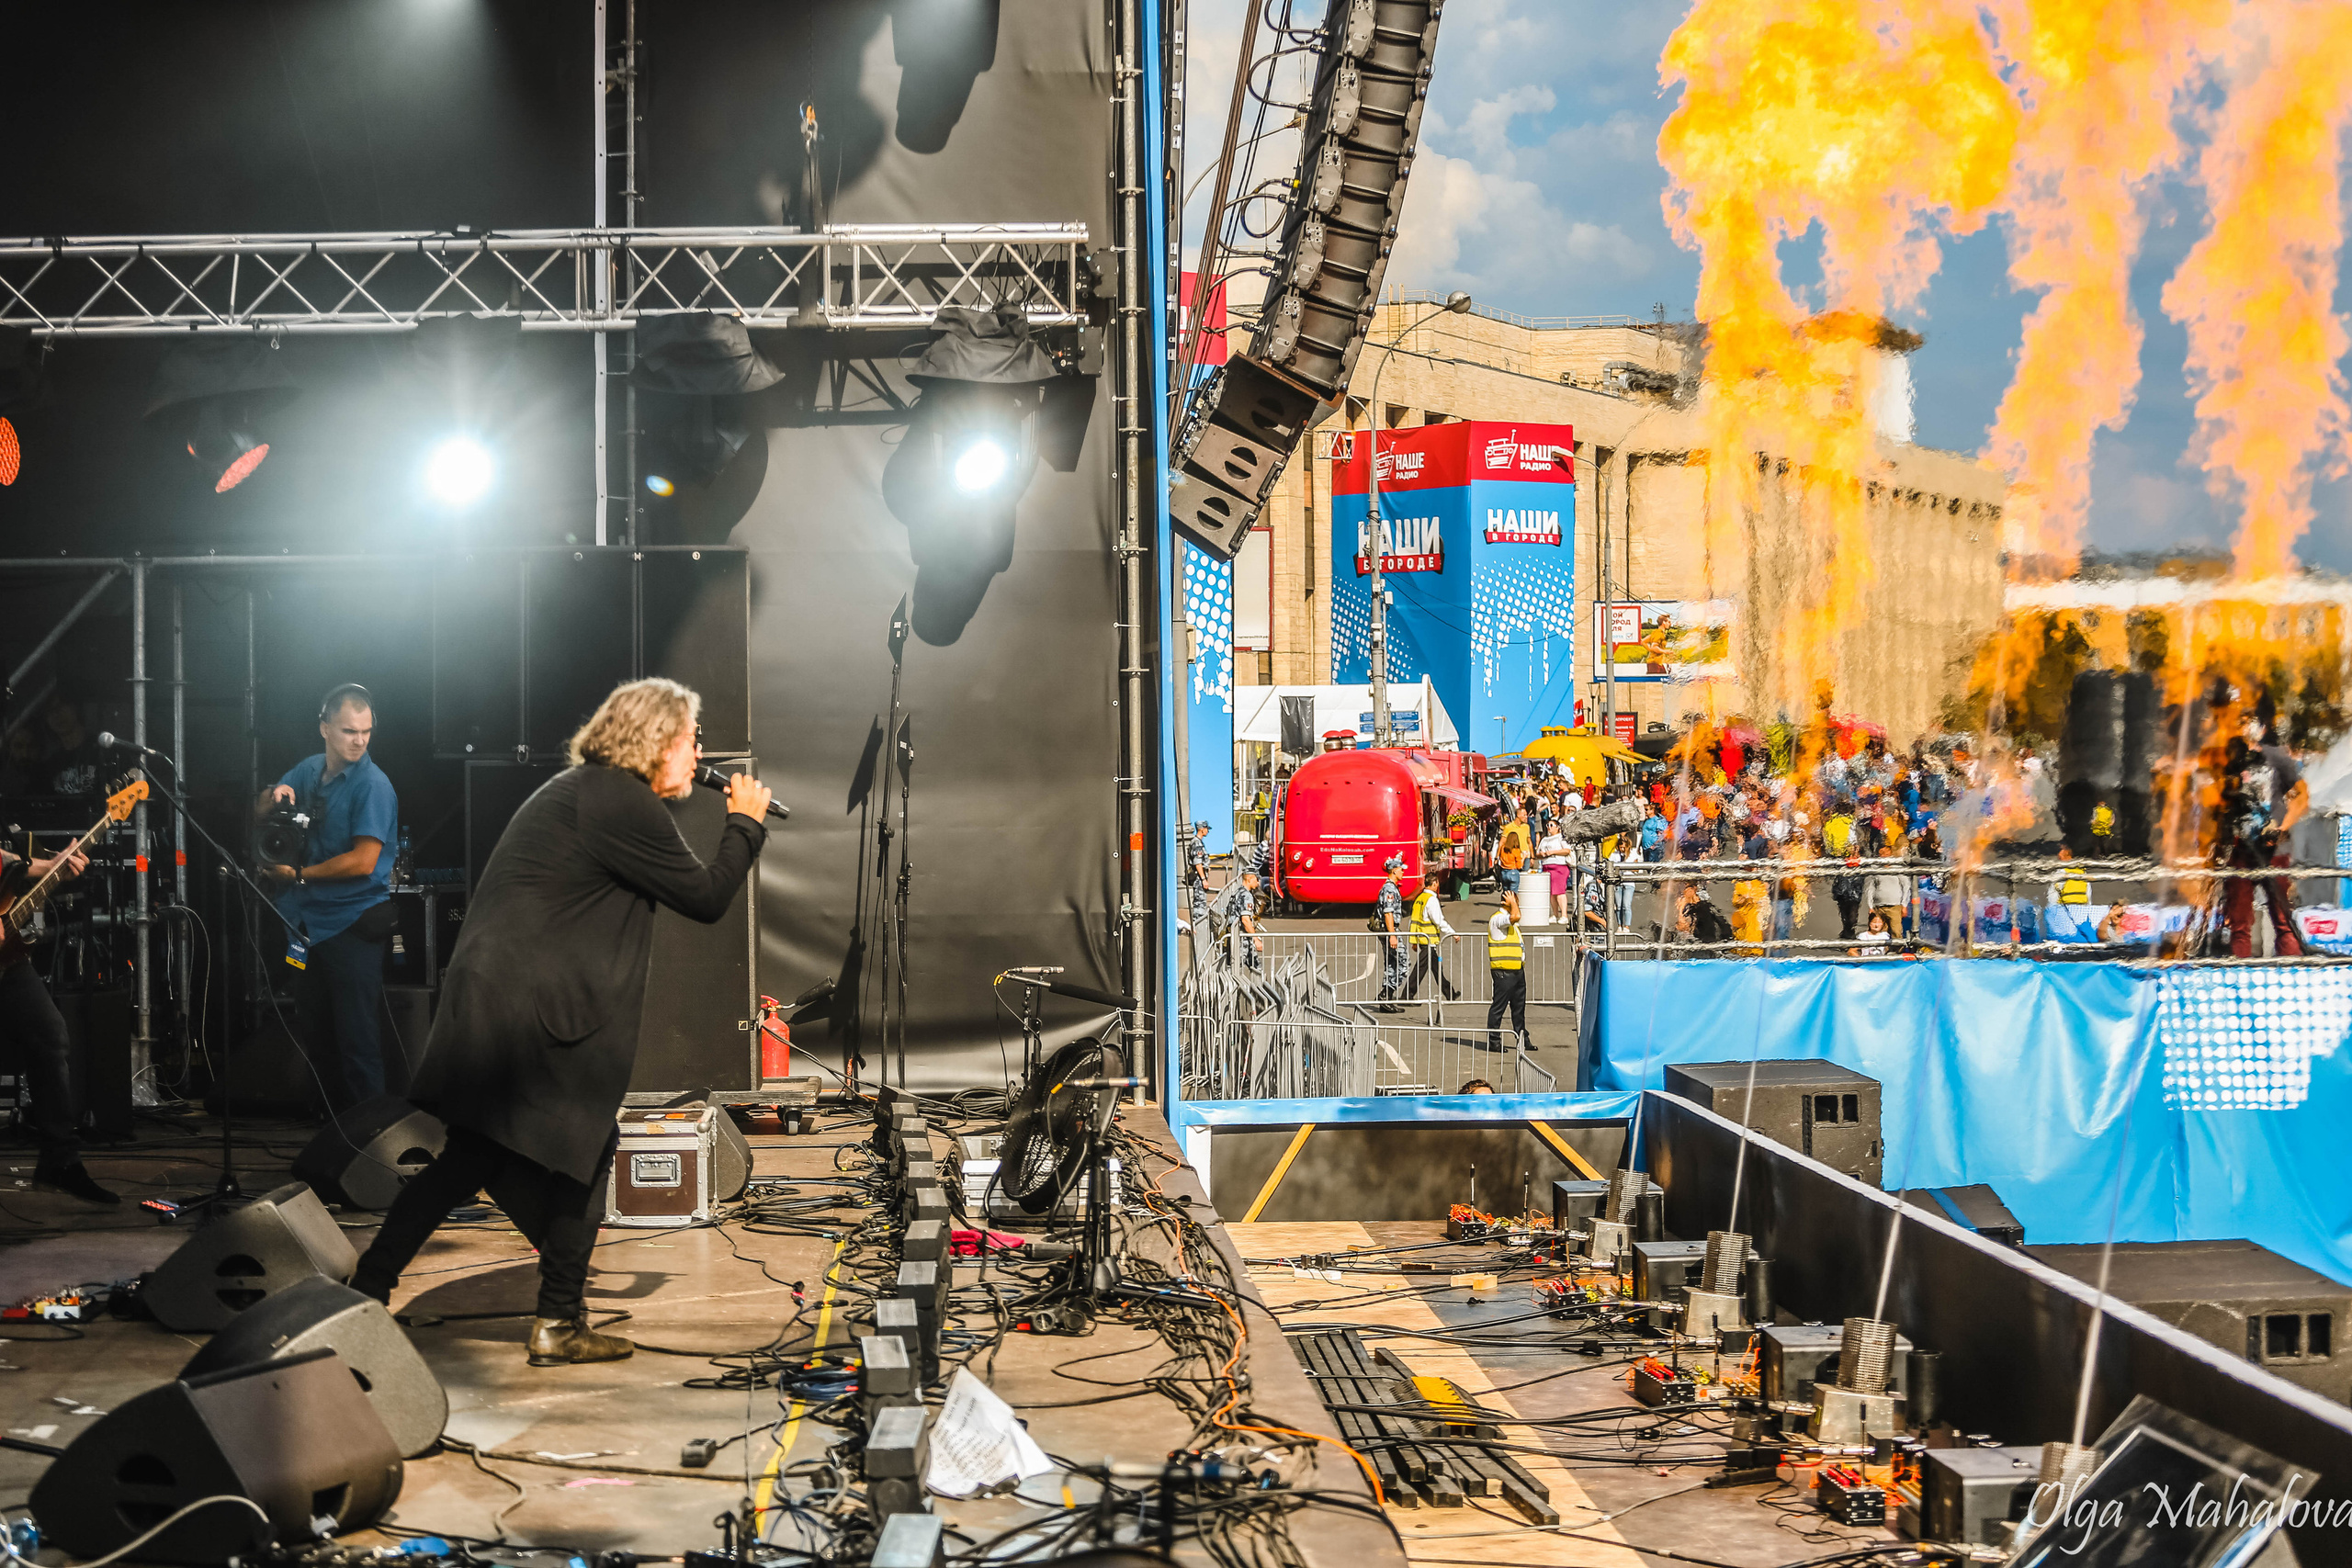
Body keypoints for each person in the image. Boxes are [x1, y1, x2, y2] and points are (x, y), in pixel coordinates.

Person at [350, 678, 772, 1367]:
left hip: (507, 1005)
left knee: (482, 1159)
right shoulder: (618, 799)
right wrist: (745, 822)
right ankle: (555, 1318)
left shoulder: (589, 792)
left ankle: (377, 1290)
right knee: (579, 1152)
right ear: (656, 739)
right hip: (528, 1014)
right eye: (690, 740)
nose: (699, 756)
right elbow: (704, 895)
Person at [260, 683, 399, 1112]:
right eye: (348, 731)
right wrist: (271, 797)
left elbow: (363, 861)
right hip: (303, 929)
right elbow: (261, 809)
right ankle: (332, 1131)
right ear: (324, 729)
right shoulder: (307, 772)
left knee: (357, 1041)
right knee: (317, 1034)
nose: (359, 740)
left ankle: (369, 1142)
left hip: (350, 928)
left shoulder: (373, 786)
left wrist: (298, 874)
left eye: (366, 731)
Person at [0, 840, 118, 1202]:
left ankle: (59, 1160)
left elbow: (4, 861)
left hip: (8, 964)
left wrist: (52, 865)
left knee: (49, 1036)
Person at [2218, 725, 2305, 958]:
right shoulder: (2226, 756)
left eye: (2248, 718)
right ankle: (2240, 978)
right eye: (2241, 719)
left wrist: (2282, 827)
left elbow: (2302, 796)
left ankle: (2291, 974)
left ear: (2262, 726)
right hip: (2240, 850)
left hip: (2274, 849)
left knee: (2283, 919)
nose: (2244, 725)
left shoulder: (2276, 756)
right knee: (2238, 924)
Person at [1405, 873, 1461, 1000]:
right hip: (1428, 940)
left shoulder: (1420, 898)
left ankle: (1449, 993)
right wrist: (1453, 933)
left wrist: (1414, 941)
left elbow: (1413, 921)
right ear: (1434, 883)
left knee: (1437, 969)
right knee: (1420, 970)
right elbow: (1439, 921)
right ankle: (1407, 995)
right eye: (1437, 884)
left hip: (1422, 938)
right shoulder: (1431, 900)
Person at [1485, 890, 1527, 1055]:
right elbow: (1516, 916)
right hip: (1503, 972)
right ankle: (1494, 1041)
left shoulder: (1509, 923)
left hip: (1516, 970)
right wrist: (1512, 903)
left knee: (1519, 1008)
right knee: (1499, 1008)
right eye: (1515, 901)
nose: (1518, 904)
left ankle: (1523, 1038)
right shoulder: (1498, 919)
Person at [1210, 868, 1264, 972]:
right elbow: (1245, 920)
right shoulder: (1246, 896)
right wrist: (1256, 939)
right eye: (1256, 879)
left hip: (1239, 936)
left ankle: (1259, 986)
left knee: (1256, 967)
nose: (1258, 882)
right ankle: (1231, 987)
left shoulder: (1236, 893)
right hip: (1241, 938)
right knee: (1235, 969)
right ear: (1249, 879)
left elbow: (1227, 913)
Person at [1373, 855, 1408, 1004]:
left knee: (1391, 963)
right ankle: (1386, 993)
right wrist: (1392, 935)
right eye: (1401, 870)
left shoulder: (1390, 887)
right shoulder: (1389, 889)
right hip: (1390, 930)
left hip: (1389, 931)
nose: (1403, 872)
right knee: (1403, 962)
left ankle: (1386, 999)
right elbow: (1388, 913)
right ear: (1394, 871)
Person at [1537, 820, 1571, 924]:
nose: (1549, 827)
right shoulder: (1544, 839)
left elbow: (1567, 850)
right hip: (1546, 865)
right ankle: (1555, 914)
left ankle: (1564, 915)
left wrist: (1552, 852)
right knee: (1552, 893)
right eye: (1548, 825)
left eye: (1551, 825)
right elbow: (1537, 853)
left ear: (1557, 827)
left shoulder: (1561, 838)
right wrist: (1542, 854)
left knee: (1560, 891)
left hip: (1559, 866)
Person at [1182, 820, 1213, 931]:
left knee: (1201, 903)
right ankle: (1198, 929)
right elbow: (1198, 863)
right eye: (1206, 828)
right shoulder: (1197, 843)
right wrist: (1203, 879)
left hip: (1200, 877)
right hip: (1199, 879)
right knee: (1200, 904)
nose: (1207, 831)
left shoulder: (1197, 842)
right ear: (1201, 829)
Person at [1495, 807, 1531, 897]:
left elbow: (1529, 841)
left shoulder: (1526, 827)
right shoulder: (1509, 827)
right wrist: (1497, 857)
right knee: (1515, 880)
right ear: (1518, 816)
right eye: (1524, 815)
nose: (1526, 817)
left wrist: (1532, 856)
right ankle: (1513, 903)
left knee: (1524, 880)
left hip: (1525, 854)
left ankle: (1521, 900)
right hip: (1514, 855)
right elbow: (1502, 842)